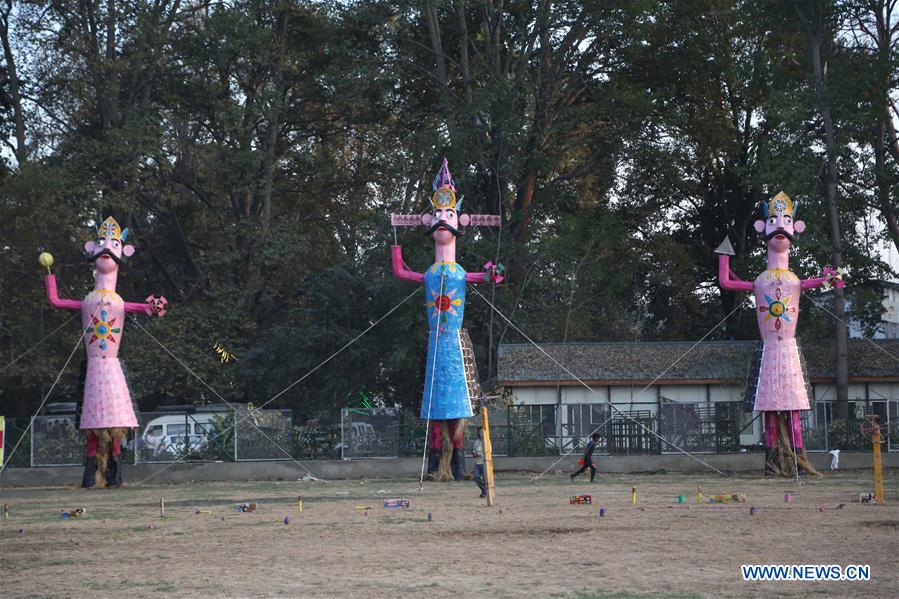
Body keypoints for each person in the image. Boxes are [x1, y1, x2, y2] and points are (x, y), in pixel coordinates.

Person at [471, 428, 486, 498]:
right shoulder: (477, 441)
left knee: (485, 479)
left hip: (484, 463)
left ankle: (485, 492)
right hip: (477, 463)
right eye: (479, 432)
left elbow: (489, 451)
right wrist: (474, 454)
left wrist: (479, 455)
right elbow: (474, 450)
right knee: (475, 476)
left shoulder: (487, 441)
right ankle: (484, 490)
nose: (480, 433)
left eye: (482, 432)